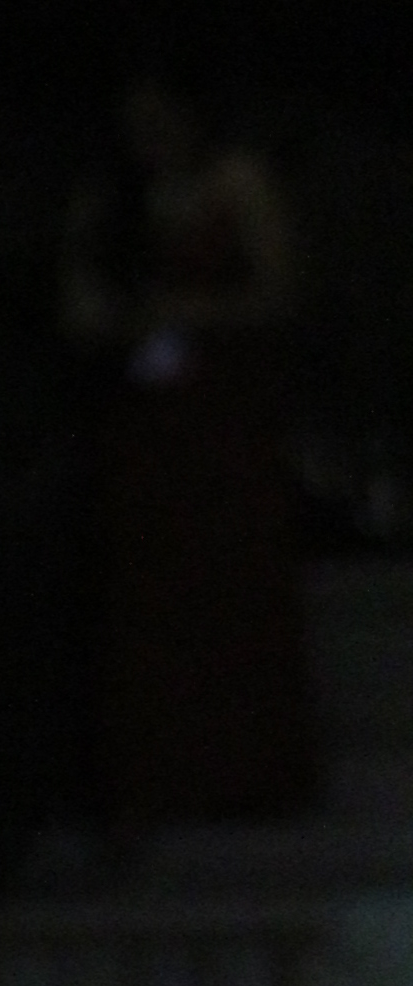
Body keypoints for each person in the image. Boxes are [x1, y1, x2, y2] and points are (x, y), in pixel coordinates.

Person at [61, 77, 314, 824]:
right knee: (160, 593)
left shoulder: (238, 181)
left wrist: (193, 312)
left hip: (223, 411)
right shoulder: (106, 200)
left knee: (234, 578)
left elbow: (281, 290)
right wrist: (118, 318)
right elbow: (76, 304)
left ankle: (256, 775)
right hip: (145, 417)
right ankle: (169, 779)